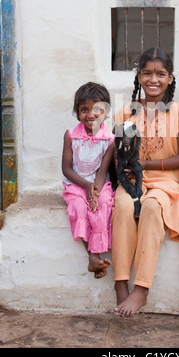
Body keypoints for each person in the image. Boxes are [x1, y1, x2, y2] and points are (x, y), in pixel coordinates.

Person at [112, 47, 179, 316]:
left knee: (150, 208)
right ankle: (120, 284)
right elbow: (116, 152)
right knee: (123, 207)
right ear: (139, 76)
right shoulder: (126, 111)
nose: (153, 79)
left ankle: (141, 289)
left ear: (170, 78)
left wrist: (146, 165)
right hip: (132, 180)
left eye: (160, 74)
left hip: (165, 184)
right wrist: (127, 170)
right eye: (147, 73)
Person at [62, 82, 115, 279]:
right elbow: (66, 169)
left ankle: (95, 258)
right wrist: (86, 187)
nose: (90, 115)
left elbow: (102, 171)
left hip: (99, 184)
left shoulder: (109, 139)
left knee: (102, 206)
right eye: (84, 110)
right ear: (77, 112)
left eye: (97, 110)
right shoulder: (71, 135)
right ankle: (93, 256)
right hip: (76, 184)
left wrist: (96, 192)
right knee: (80, 207)